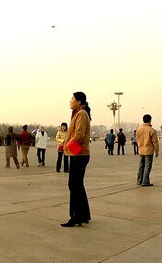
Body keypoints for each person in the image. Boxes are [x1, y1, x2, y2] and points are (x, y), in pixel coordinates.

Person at [58, 92, 93, 227]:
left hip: (79, 154)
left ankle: (76, 216)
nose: (70, 101)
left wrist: (67, 146)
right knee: (77, 185)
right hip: (77, 153)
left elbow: (79, 134)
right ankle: (83, 215)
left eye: (72, 99)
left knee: (74, 185)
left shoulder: (81, 114)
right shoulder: (78, 113)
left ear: (78, 102)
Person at [136, 114, 159, 187]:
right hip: (148, 150)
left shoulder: (139, 129)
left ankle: (139, 180)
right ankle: (145, 182)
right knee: (147, 166)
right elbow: (155, 142)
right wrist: (157, 151)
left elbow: (137, 139)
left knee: (141, 166)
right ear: (150, 120)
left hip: (141, 149)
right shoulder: (151, 130)